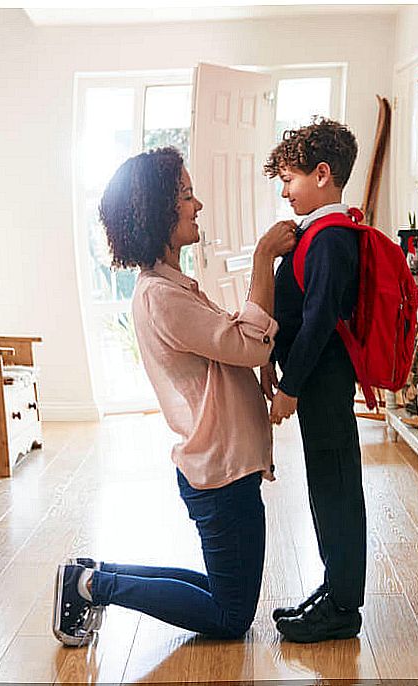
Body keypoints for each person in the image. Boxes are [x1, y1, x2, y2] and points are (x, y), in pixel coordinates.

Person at [51, 147, 297, 646]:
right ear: (160, 209)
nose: (198, 204)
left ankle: (92, 573)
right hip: (221, 471)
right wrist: (262, 259)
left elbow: (231, 346)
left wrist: (264, 357)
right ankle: (93, 584)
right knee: (230, 616)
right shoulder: (161, 297)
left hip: (222, 467)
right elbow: (245, 344)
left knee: (223, 592)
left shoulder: (170, 286)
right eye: (186, 195)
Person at [259, 118, 367, 643]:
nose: (285, 190)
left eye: (290, 178)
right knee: (327, 487)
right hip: (319, 381)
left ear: (323, 174)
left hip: (323, 381)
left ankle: (344, 606)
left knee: (337, 489)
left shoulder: (330, 237)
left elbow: (322, 316)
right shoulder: (321, 233)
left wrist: (290, 385)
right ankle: (334, 589)